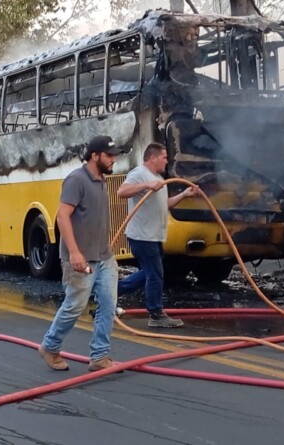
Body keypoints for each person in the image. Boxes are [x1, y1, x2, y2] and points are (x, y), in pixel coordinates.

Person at [39, 136, 123, 372]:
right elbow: (62, 216)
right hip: (81, 258)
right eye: (109, 155)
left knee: (108, 304)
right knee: (75, 305)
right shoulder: (76, 180)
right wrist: (75, 253)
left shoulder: (101, 180)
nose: (113, 159)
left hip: (104, 256)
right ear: (95, 156)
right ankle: (50, 346)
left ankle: (100, 355)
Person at [116, 143, 199, 328]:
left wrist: (185, 194)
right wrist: (146, 185)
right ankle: (156, 314)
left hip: (154, 236)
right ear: (153, 158)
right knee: (155, 274)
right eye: (164, 157)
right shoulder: (139, 173)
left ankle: (112, 291)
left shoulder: (158, 178)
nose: (166, 161)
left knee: (151, 272)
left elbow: (165, 204)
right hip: (142, 236)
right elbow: (121, 192)